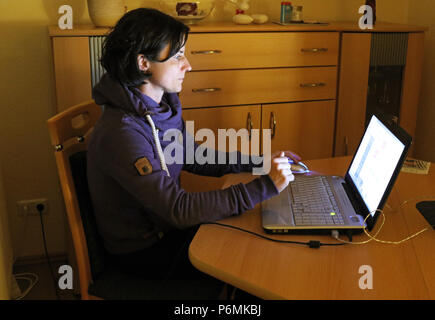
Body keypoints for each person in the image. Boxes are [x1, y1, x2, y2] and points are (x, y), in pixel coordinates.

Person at [87, 8, 300, 299]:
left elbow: (193, 155)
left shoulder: (162, 105)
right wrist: (265, 186)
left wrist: (261, 162)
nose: (188, 65)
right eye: (177, 57)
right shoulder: (122, 133)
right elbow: (179, 209)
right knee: (251, 257)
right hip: (143, 255)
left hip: (169, 230)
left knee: (253, 237)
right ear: (144, 63)